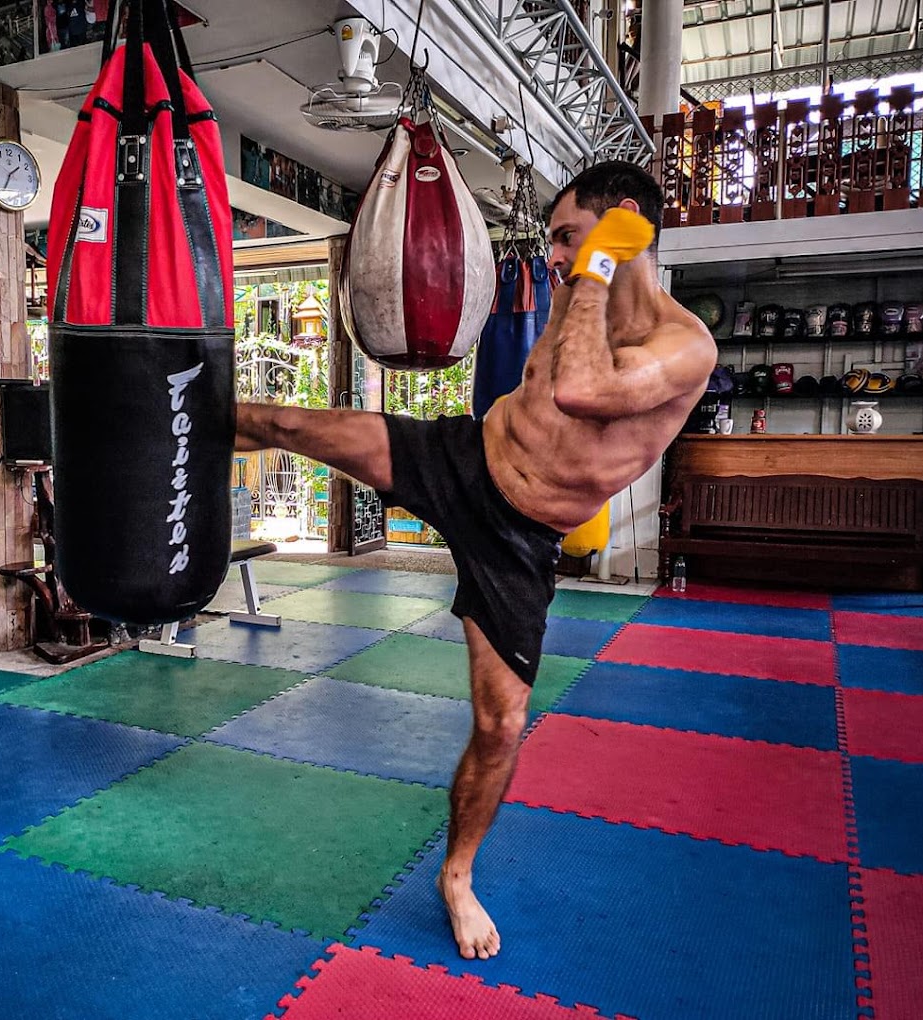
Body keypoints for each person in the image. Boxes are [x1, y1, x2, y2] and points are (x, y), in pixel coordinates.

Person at [235, 160, 716, 961]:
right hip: (458, 457)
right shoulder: (569, 298)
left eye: (567, 236)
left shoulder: (680, 345)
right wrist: (582, 272)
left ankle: (456, 877)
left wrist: (594, 264)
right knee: (282, 423)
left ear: (625, 221)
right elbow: (536, 392)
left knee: (501, 725)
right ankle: (153, 418)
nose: (556, 256)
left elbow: (583, 394)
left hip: (516, 541)